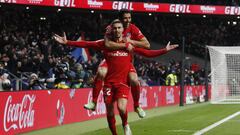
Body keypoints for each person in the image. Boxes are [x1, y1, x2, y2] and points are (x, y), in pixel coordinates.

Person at [54, 19, 178, 135]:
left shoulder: (129, 45)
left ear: (122, 30)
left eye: (119, 28)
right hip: (108, 83)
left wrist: (164, 50)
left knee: (122, 108)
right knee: (110, 111)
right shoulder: (105, 44)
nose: (117, 30)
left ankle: (125, 124)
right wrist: (67, 42)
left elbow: (147, 53)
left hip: (123, 83)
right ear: (111, 30)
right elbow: (86, 44)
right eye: (115, 28)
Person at [85, 10, 151, 118]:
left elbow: (147, 45)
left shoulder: (133, 28)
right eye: (125, 18)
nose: (128, 20)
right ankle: (94, 102)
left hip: (125, 60)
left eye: (129, 17)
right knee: (101, 72)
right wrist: (125, 45)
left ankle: (137, 106)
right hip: (110, 59)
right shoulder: (111, 28)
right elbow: (107, 44)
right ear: (119, 19)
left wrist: (131, 42)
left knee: (134, 80)